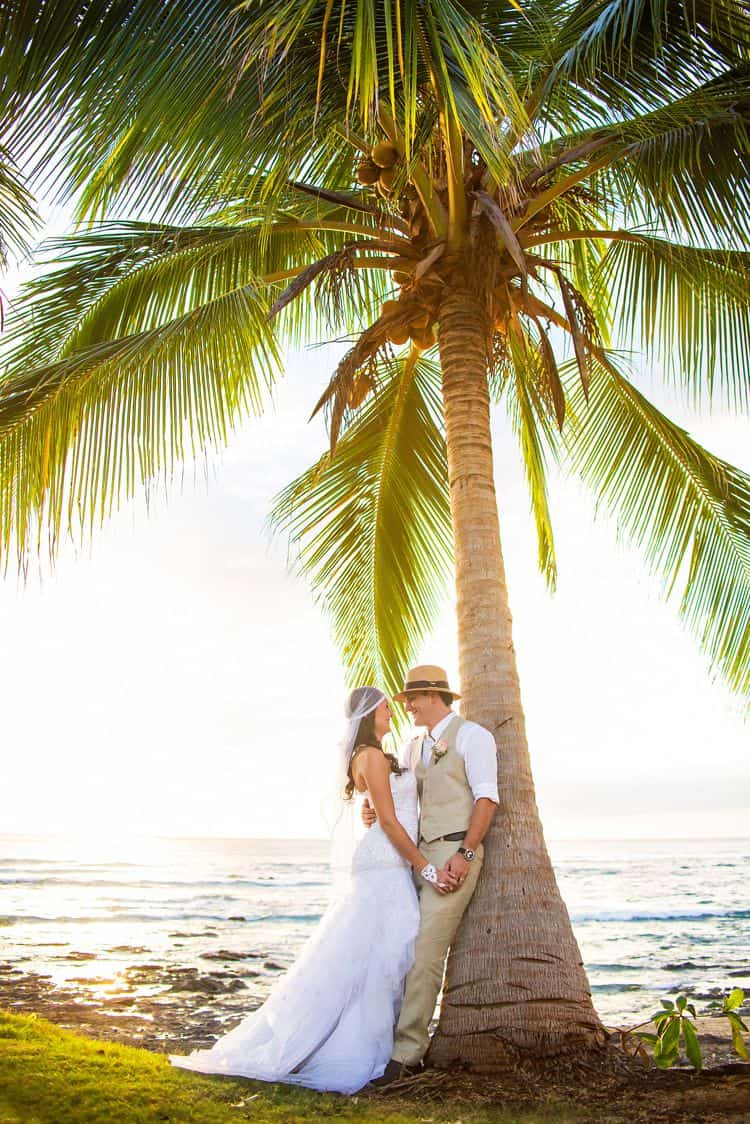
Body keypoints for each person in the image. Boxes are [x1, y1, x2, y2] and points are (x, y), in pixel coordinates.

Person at [169, 685, 457, 1094]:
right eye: (384, 709)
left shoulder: (373, 756)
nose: (391, 713)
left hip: (388, 861)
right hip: (386, 862)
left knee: (383, 956)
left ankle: (383, 1045)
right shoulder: (371, 756)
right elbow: (390, 823)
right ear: (368, 715)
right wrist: (426, 868)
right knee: (382, 957)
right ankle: (364, 1051)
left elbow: (382, 809)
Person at [364, 664, 498, 1086]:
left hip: (455, 852)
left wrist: (465, 852)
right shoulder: (413, 745)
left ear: (435, 697)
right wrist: (373, 811)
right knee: (401, 946)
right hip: (417, 856)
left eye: (413, 700)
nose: (409, 708)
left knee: (425, 953)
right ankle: (386, 1040)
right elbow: (401, 800)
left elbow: (487, 799)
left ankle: (407, 1055)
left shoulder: (474, 737)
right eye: (405, 702)